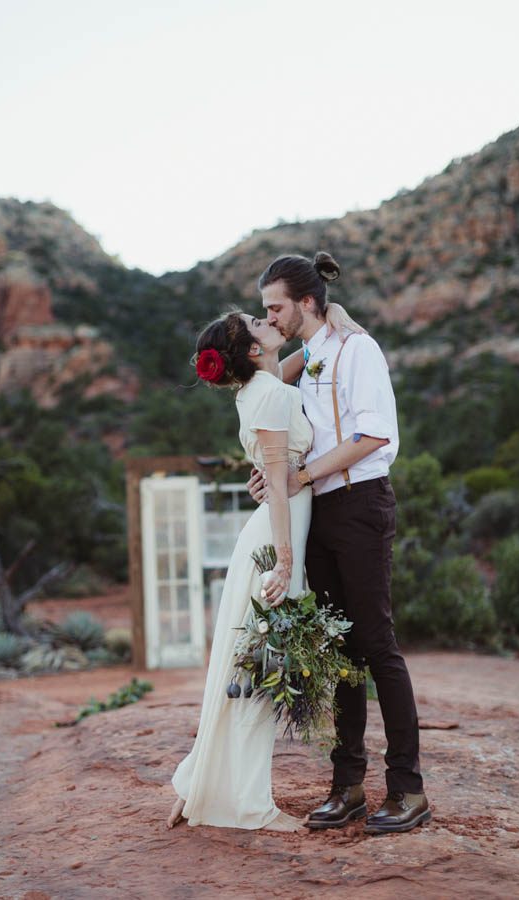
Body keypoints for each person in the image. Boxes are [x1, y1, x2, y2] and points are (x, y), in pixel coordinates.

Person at [248, 251, 431, 835]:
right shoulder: (312, 356)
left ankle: (408, 789)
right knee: (340, 650)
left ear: (306, 301)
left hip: (360, 502)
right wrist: (275, 470)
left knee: (378, 645)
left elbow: (372, 433)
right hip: (319, 509)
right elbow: (279, 412)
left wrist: (299, 475)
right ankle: (347, 785)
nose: (270, 317)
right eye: (264, 310)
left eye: (275, 307)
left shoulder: (358, 349)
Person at [167, 309, 313, 832]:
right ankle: (249, 805)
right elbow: (276, 484)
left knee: (246, 668)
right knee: (260, 673)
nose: (269, 319)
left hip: (271, 530)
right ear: (253, 350)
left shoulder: (258, 388)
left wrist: (331, 328)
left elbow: (300, 363)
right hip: (277, 538)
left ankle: (196, 784)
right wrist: (286, 560)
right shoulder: (269, 393)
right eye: (257, 321)